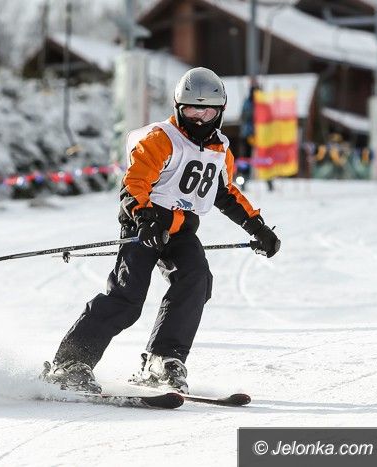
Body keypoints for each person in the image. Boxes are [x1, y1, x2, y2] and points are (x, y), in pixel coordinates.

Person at [41, 67, 281, 394]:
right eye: (192, 110)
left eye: (208, 111)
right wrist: (145, 218)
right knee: (127, 297)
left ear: (221, 112)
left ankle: (163, 359)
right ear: (178, 107)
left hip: (181, 231)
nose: (200, 119)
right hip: (144, 225)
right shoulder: (161, 139)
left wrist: (257, 227)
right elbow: (134, 184)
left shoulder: (220, 150)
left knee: (196, 280)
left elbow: (225, 193)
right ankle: (70, 362)